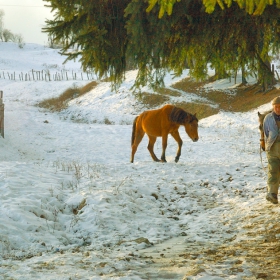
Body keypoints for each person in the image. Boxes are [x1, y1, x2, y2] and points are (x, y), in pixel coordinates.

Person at [263, 96, 280, 204]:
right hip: (272, 148)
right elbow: (266, 133)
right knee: (273, 170)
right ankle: (272, 194)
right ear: (273, 107)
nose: (278, 109)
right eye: (276, 107)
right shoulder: (267, 118)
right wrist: (266, 146)